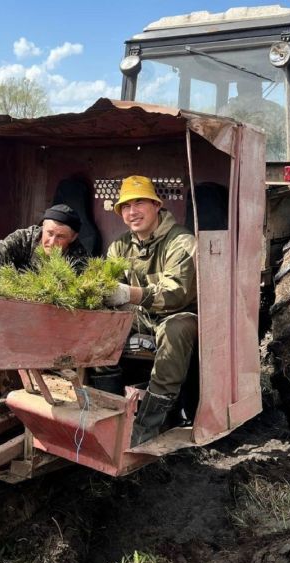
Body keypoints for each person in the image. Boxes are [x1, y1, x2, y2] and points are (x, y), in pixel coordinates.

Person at [105, 175, 198, 446]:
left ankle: (147, 426)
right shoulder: (119, 246)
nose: (132, 212)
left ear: (157, 204)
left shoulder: (181, 242)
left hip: (179, 315)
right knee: (102, 324)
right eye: (125, 206)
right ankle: (105, 409)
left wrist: (131, 293)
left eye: (139, 203)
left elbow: (176, 294)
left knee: (174, 330)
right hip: (142, 317)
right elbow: (110, 286)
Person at [0, 203, 89, 273]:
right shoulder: (23, 239)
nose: (52, 242)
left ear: (73, 238)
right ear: (42, 227)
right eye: (49, 233)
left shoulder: (79, 258)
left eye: (60, 237)